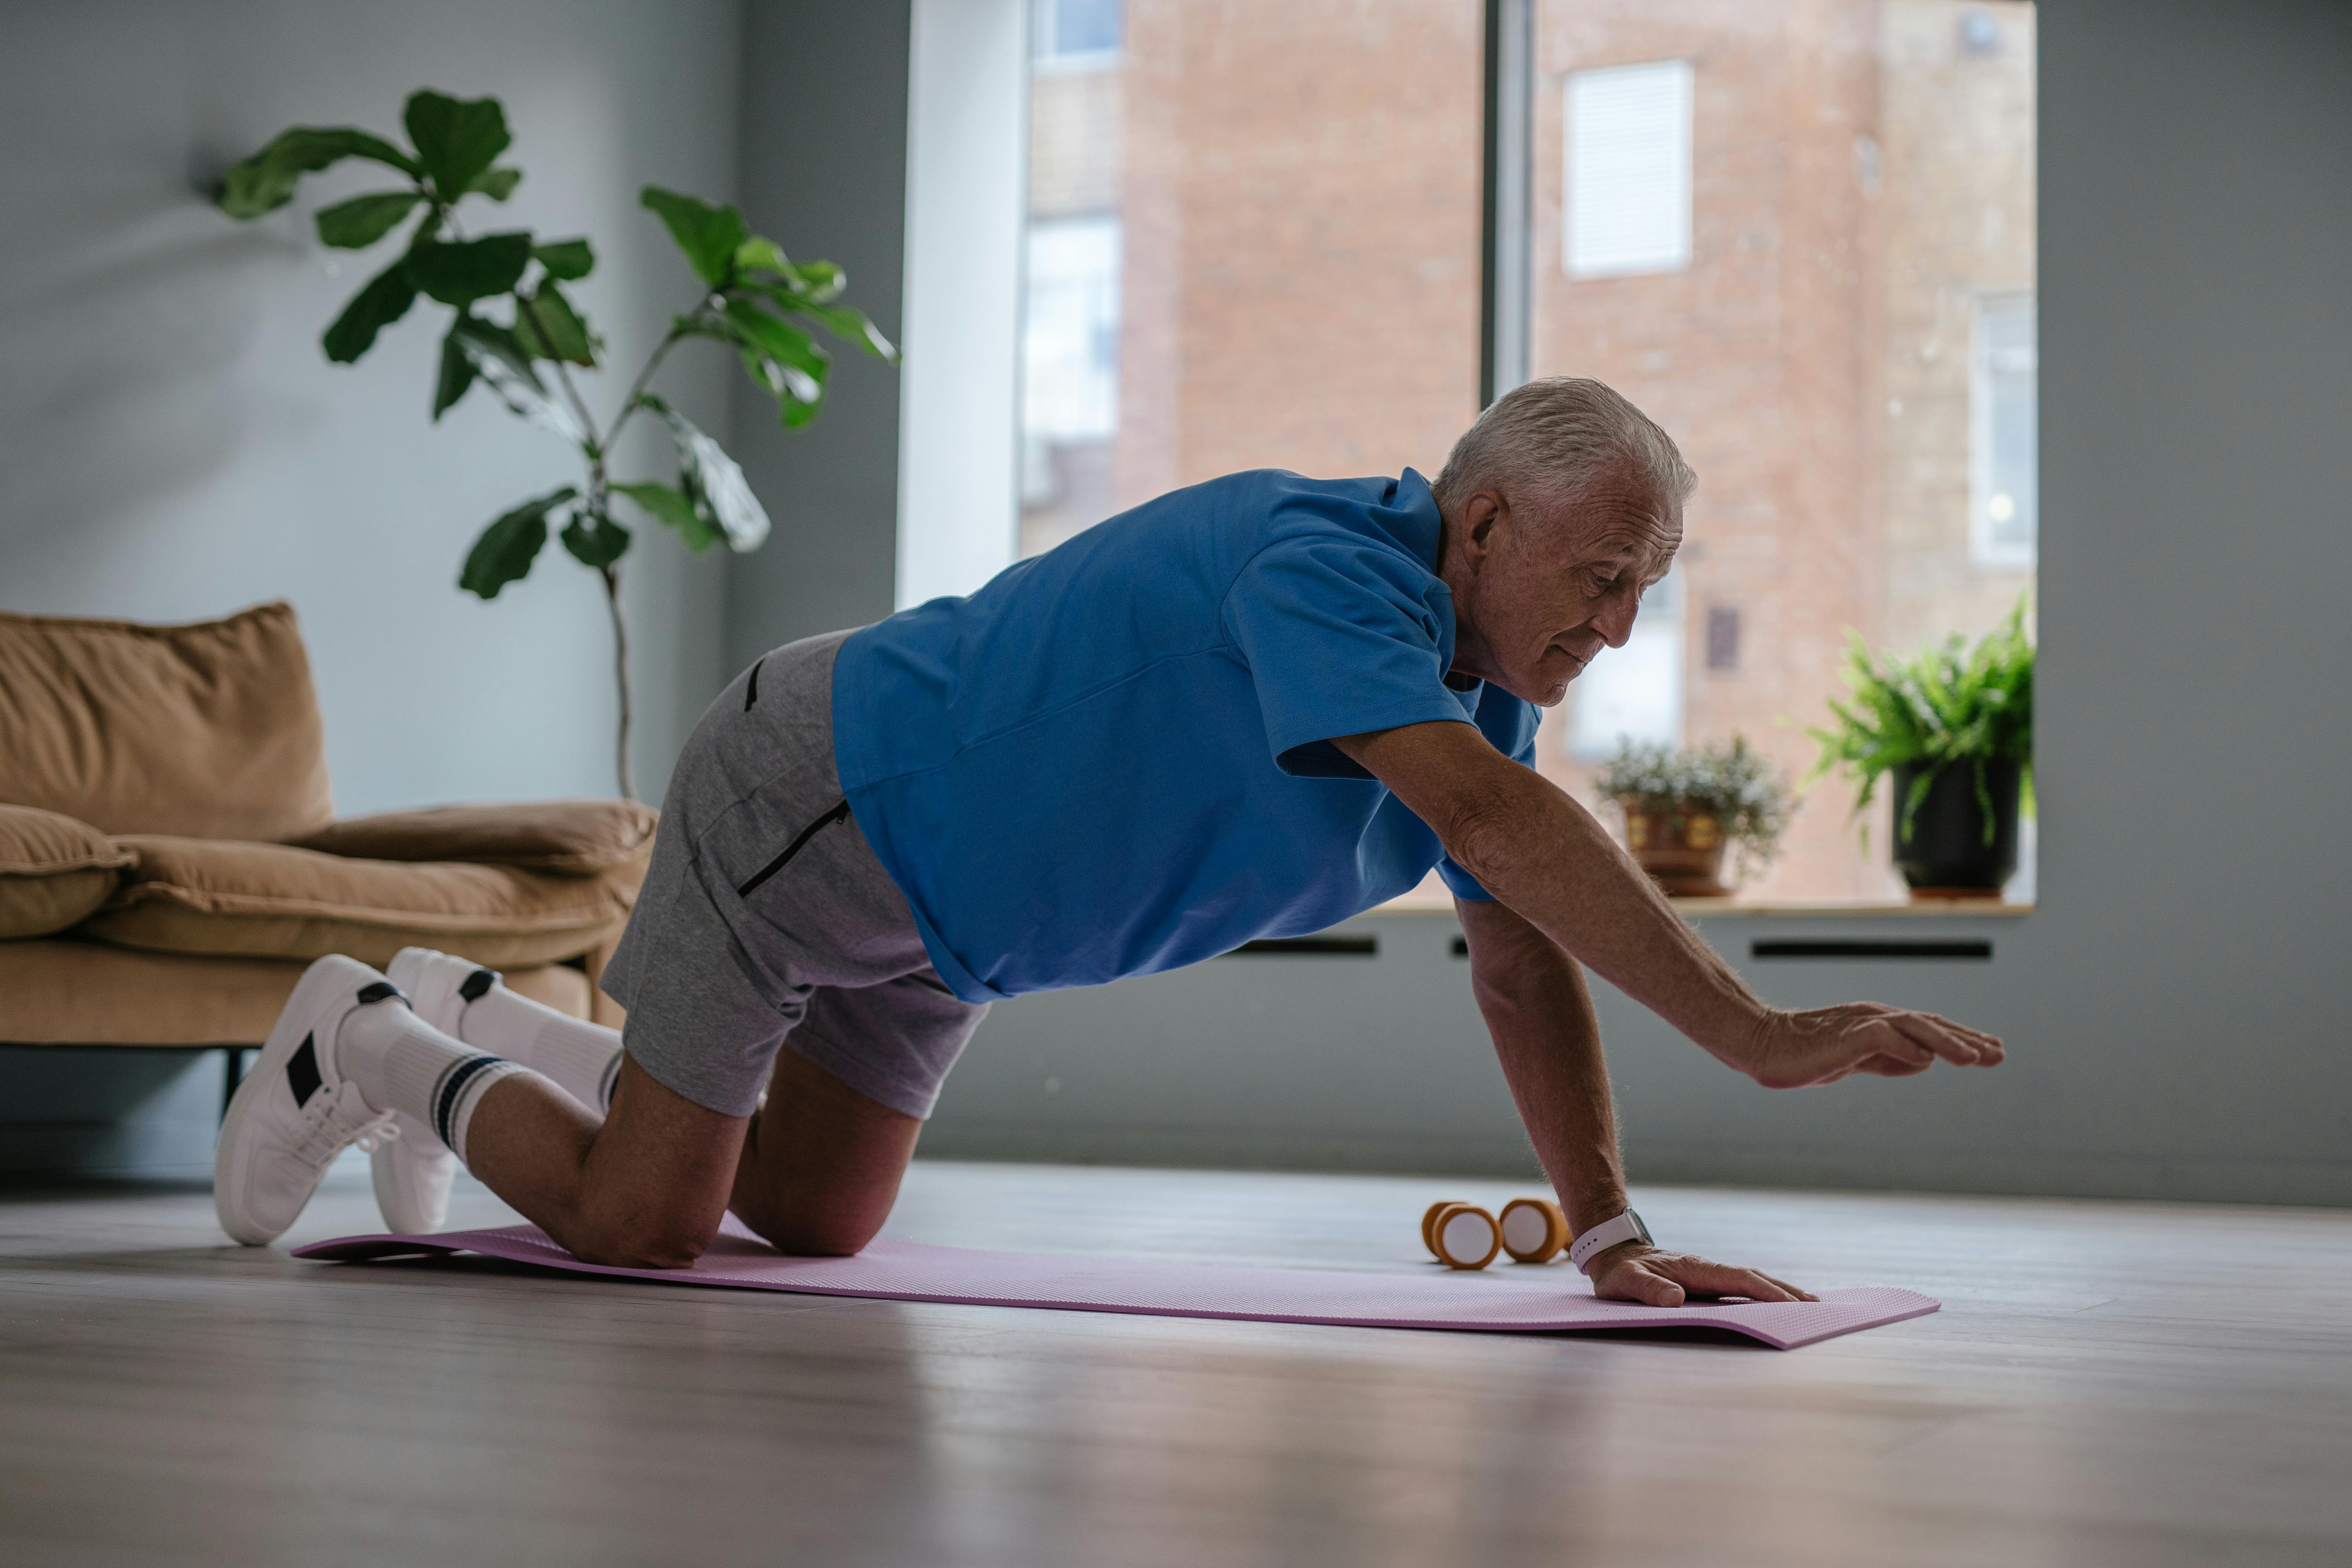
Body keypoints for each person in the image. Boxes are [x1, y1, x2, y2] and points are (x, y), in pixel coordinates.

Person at [215, 376, 2004, 1307]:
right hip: (821, 798)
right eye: (1601, 576)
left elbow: (1519, 951)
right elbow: (1487, 827)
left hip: (939, 933)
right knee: (644, 1225)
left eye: (1649, 591)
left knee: (815, 1223)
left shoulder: (1487, 702)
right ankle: (366, 1039)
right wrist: (1760, 1035)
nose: (1617, 626)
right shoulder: (1333, 569)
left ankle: (476, 1011)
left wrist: (1610, 1232)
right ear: (1482, 524)